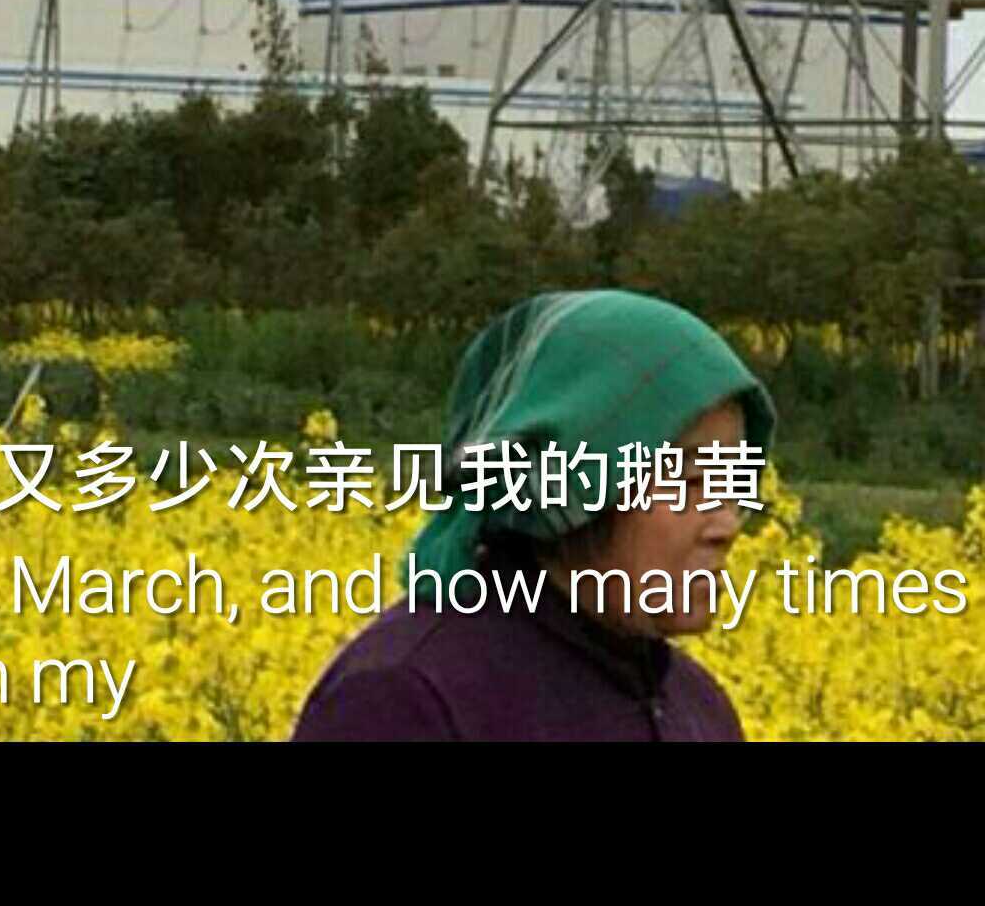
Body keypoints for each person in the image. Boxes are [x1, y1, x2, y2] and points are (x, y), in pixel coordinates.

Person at [291, 289, 777, 742]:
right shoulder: (408, 701)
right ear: (576, 485)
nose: (727, 525)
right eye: (691, 480)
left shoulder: (697, 706)